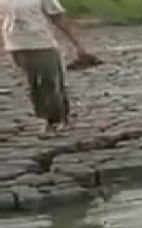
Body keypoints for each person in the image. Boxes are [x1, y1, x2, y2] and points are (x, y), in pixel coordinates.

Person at [0, 0, 99, 132]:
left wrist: (78, 45)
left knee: (50, 81)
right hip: (16, 46)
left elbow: (59, 19)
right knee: (34, 84)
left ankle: (58, 118)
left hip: (42, 44)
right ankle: (46, 117)